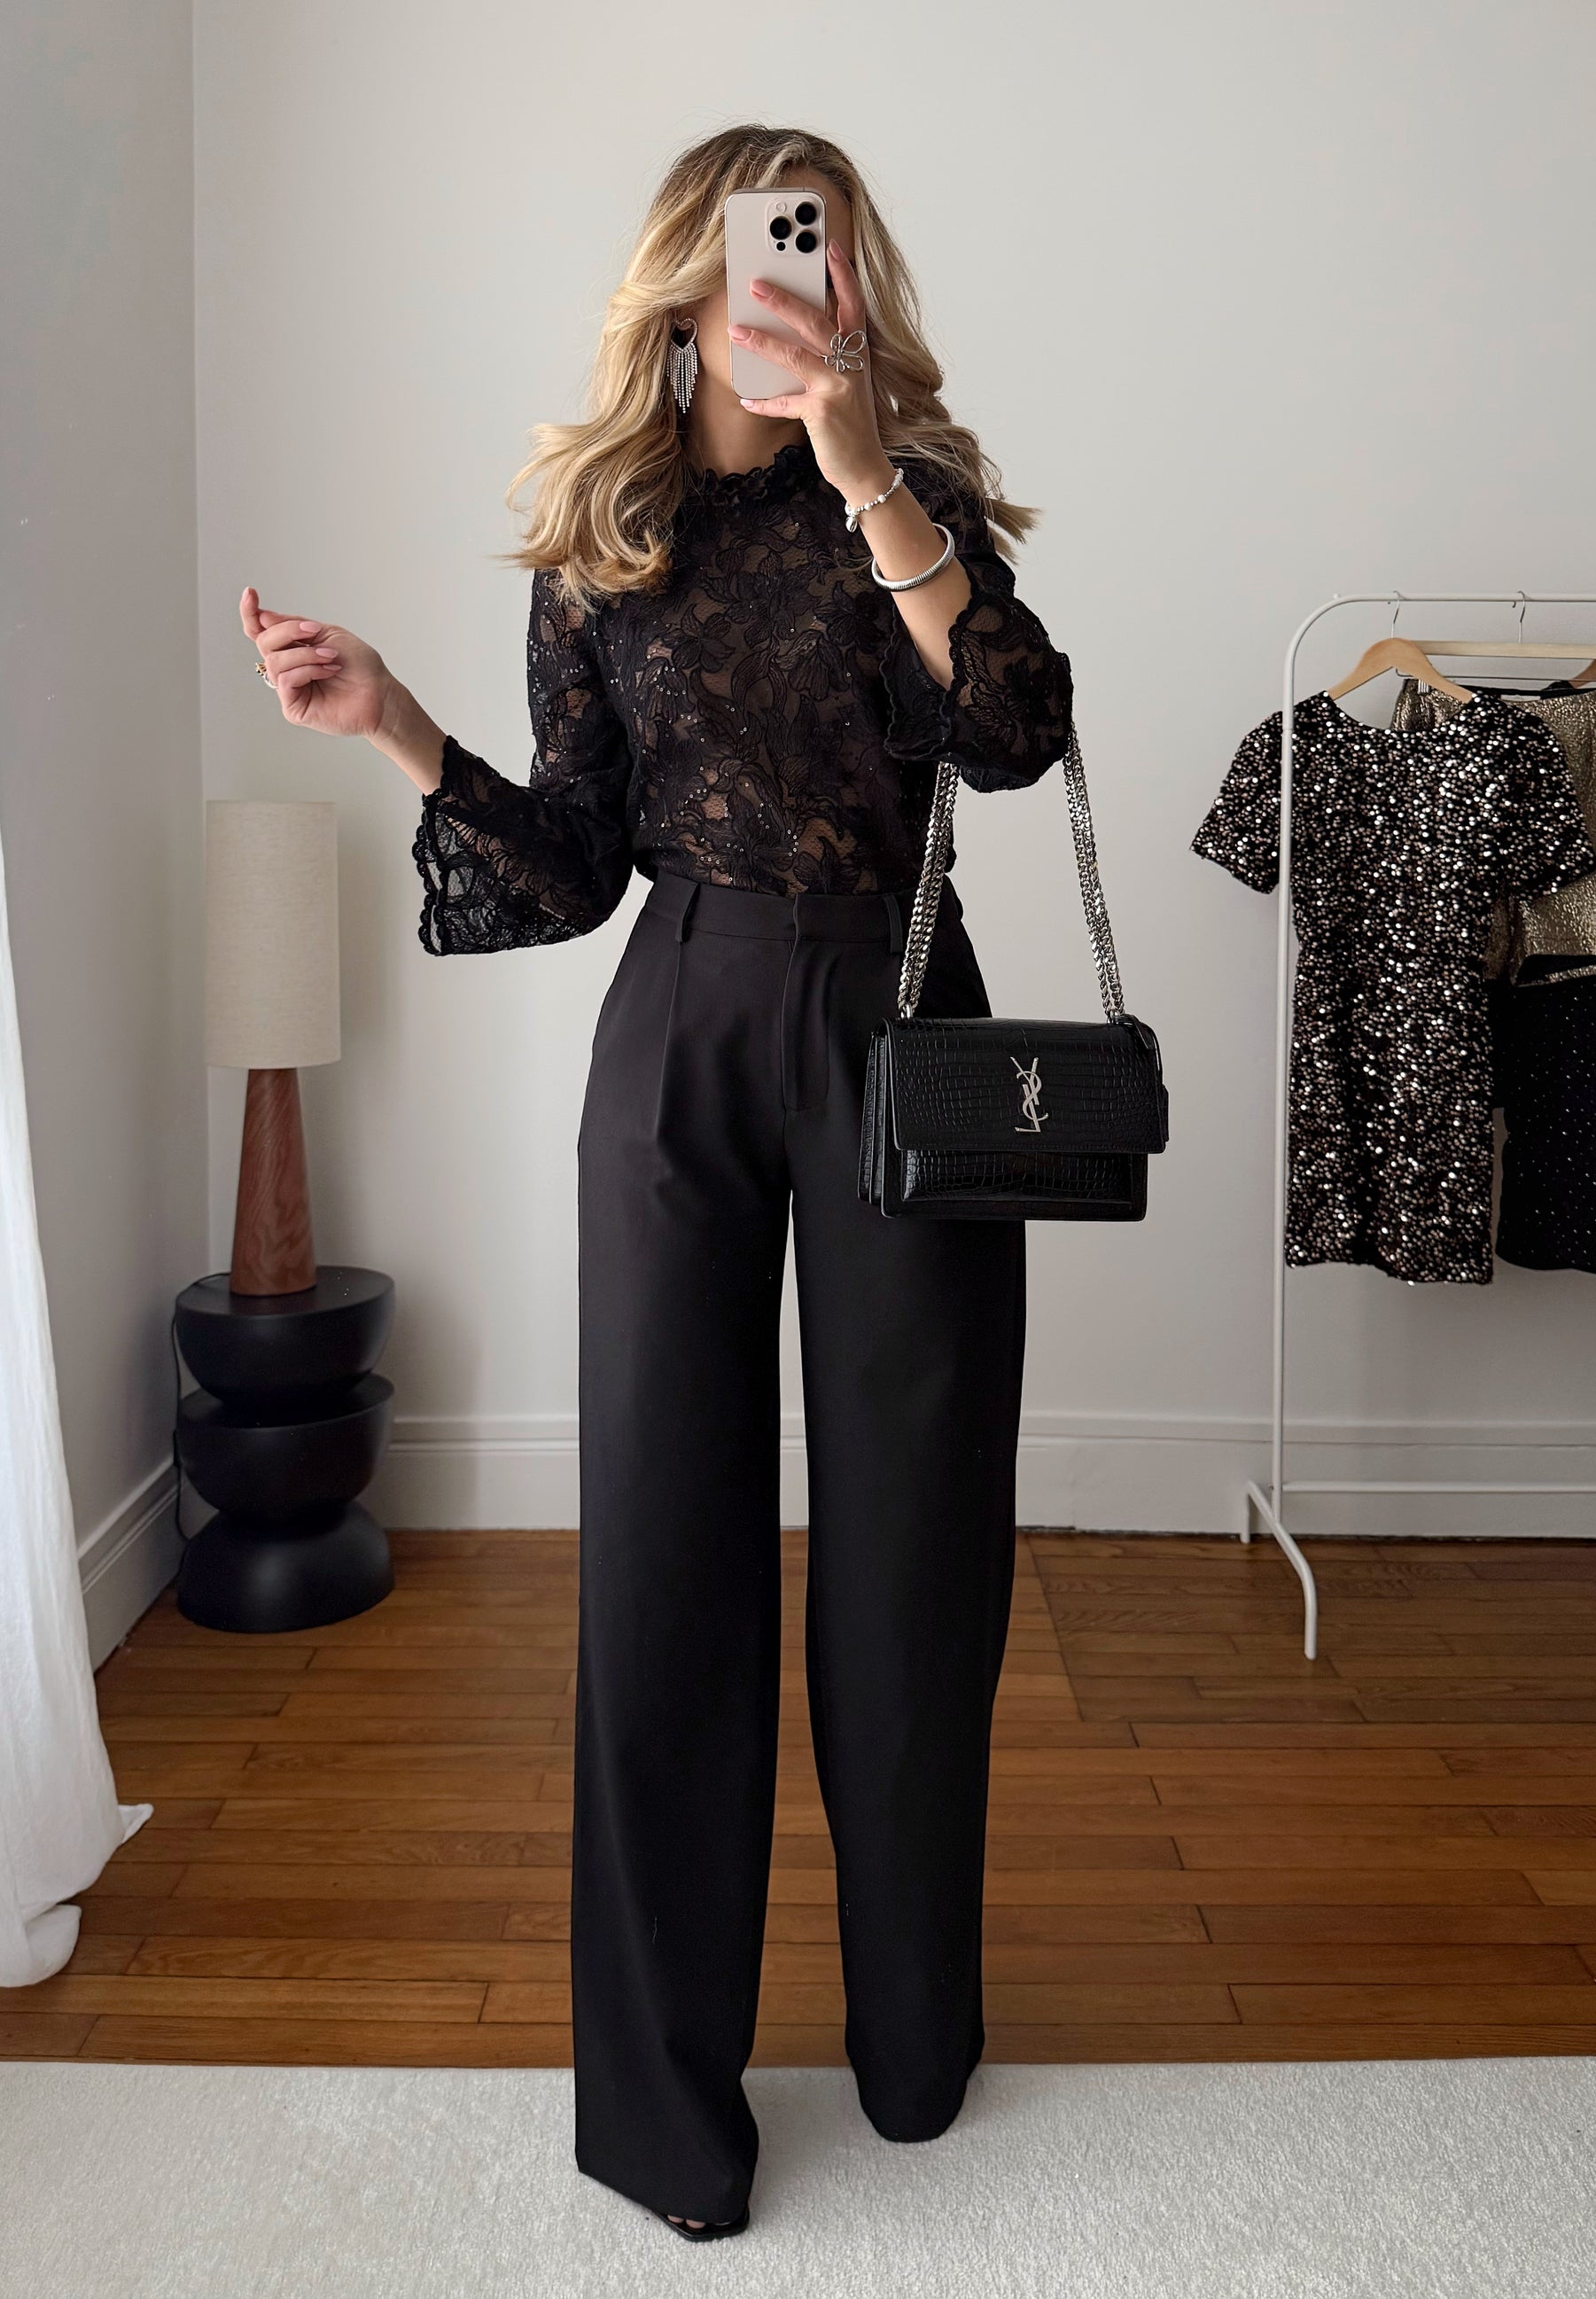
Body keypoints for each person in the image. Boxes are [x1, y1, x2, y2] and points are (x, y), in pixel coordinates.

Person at [239, 121, 1073, 2242]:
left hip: (903, 1010)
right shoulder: (607, 532)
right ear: (686, 283)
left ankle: (913, 2048)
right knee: (661, 1558)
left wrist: (873, 478)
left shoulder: (914, 494)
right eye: (767, 251)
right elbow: (572, 864)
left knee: (914, 1551)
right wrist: (401, 726)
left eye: (832, 254)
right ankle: (662, 2110)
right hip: (682, 1017)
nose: (802, 288)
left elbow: (1014, 733)